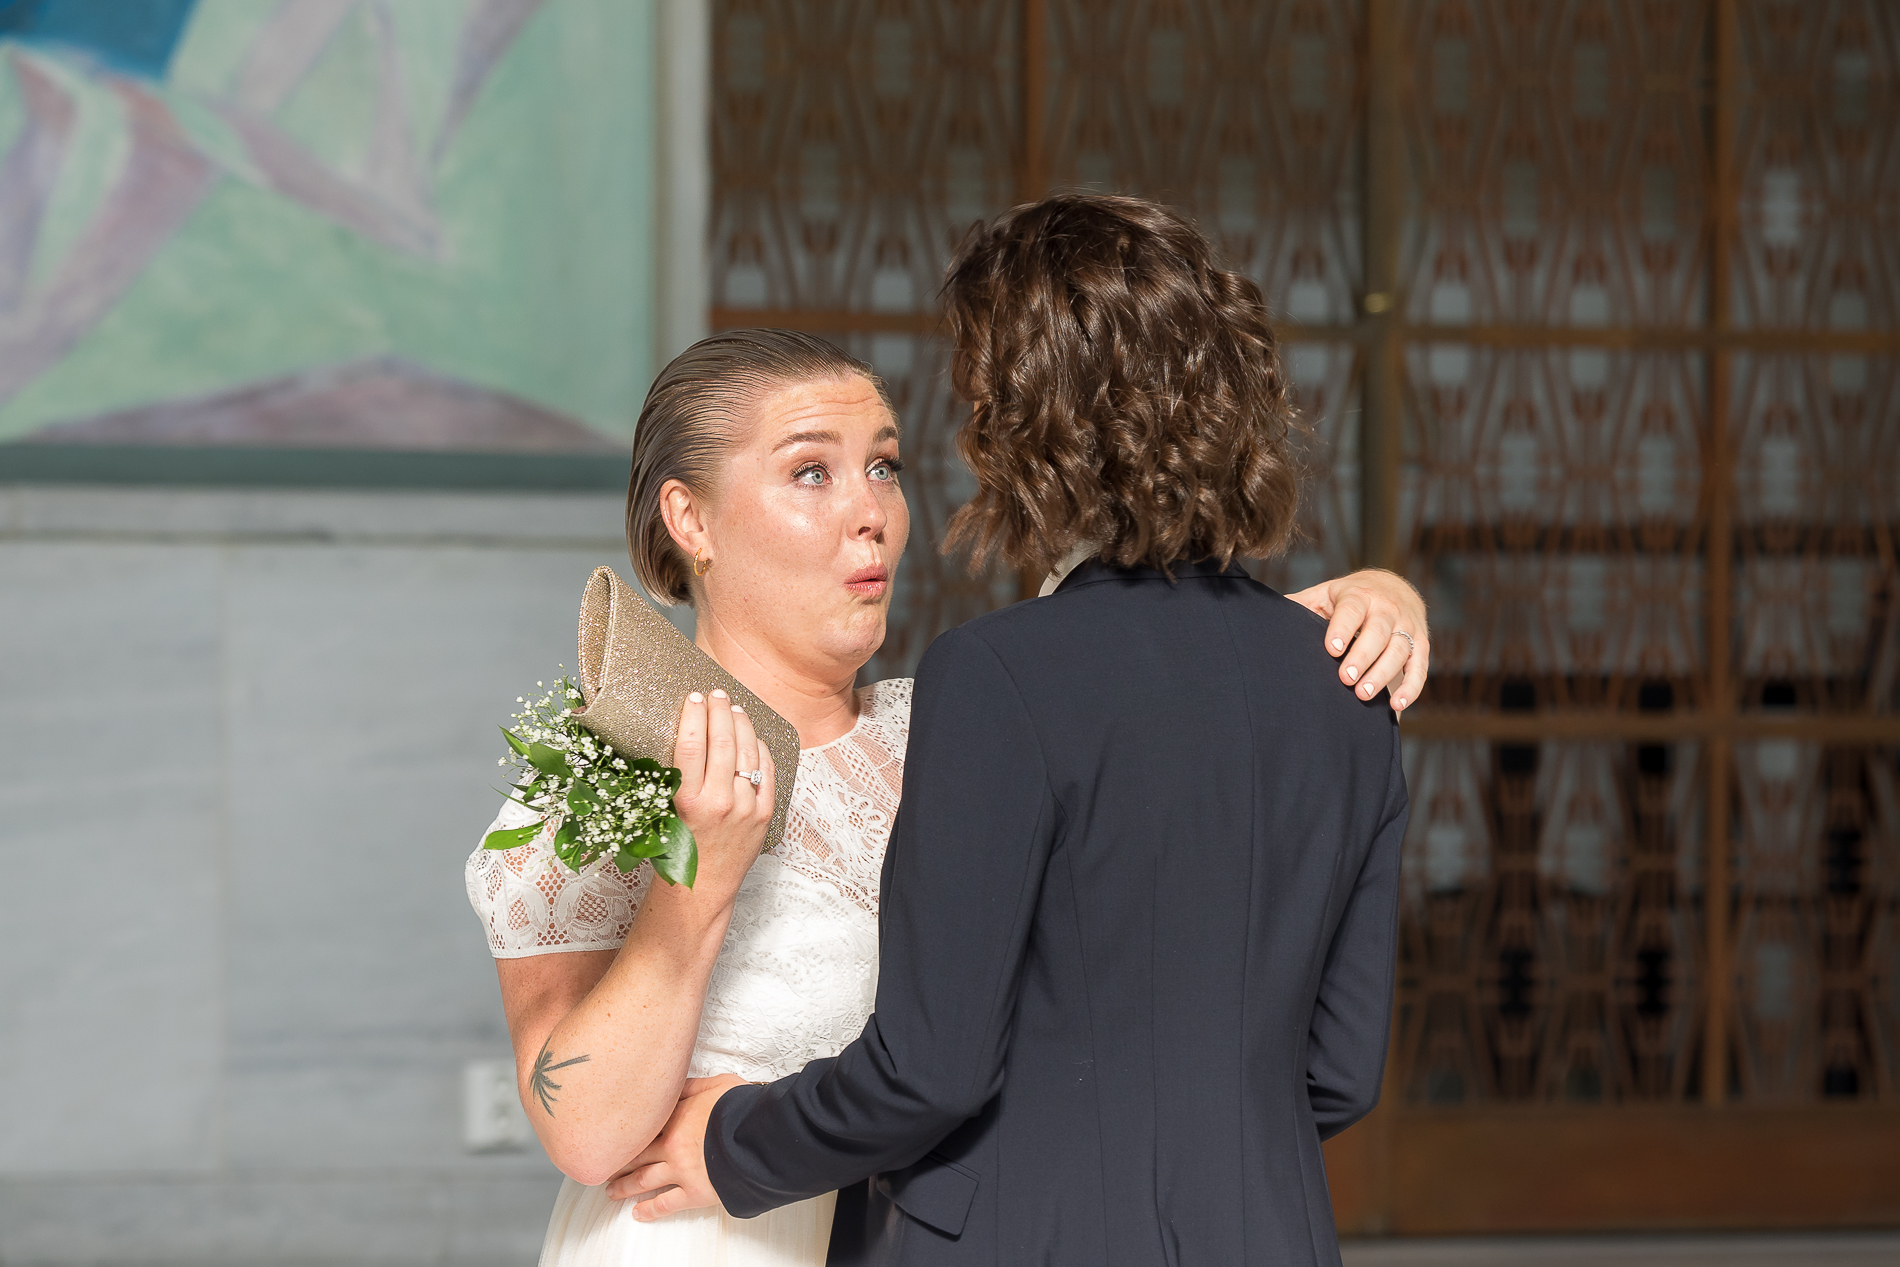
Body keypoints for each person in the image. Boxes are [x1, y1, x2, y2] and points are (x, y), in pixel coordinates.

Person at [466, 318, 1428, 1262]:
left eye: (884, 466)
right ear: (690, 519)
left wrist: (1378, 599)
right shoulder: (607, 774)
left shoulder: (968, 720)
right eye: (812, 472)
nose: (872, 512)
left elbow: (1164, 667)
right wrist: (698, 880)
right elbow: (584, 1135)